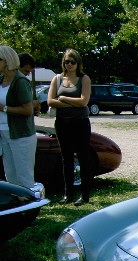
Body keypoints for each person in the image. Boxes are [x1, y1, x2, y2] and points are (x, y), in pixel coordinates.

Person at [47, 49, 92, 206]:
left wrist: (64, 98)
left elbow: (84, 102)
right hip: (62, 123)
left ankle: (84, 195)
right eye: (67, 61)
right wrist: (73, 102)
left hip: (80, 123)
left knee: (83, 157)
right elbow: (50, 101)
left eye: (73, 62)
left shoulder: (84, 79)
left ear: (78, 63)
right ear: (63, 63)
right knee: (66, 159)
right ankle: (68, 194)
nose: (70, 64)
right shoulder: (57, 78)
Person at [0, 45, 37, 189]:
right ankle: (16, 203)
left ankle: (29, 203)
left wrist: (4, 108)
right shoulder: (1, 79)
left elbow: (28, 110)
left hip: (21, 135)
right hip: (4, 133)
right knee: (11, 177)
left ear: (7, 60)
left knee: (24, 178)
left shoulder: (20, 81)